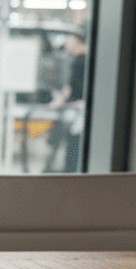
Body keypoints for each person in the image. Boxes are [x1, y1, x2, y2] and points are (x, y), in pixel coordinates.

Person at [45, 33, 88, 173]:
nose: (67, 49)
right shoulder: (83, 59)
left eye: (69, 44)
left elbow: (71, 86)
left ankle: (69, 169)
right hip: (76, 107)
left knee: (73, 140)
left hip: (77, 108)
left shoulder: (81, 60)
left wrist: (59, 101)